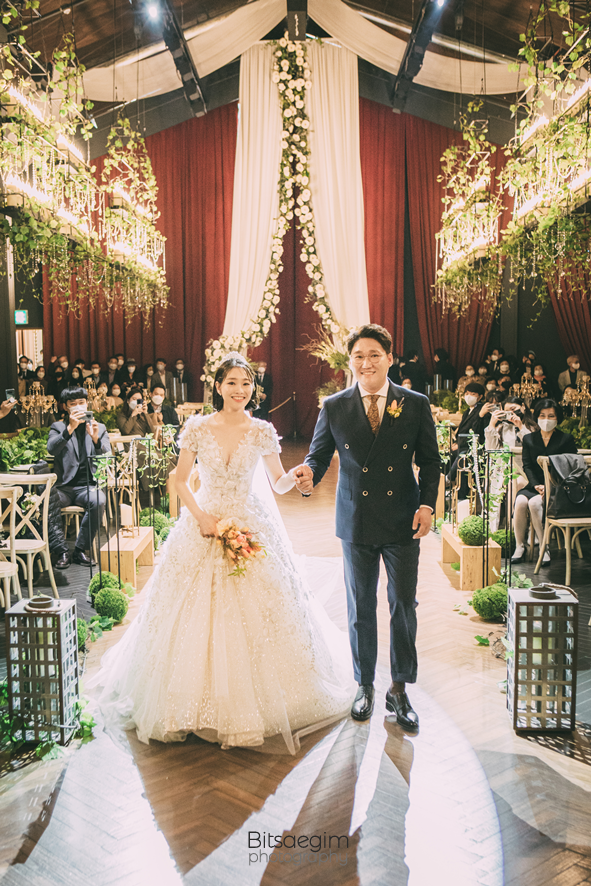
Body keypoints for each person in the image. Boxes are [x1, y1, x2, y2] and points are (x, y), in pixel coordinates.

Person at [89, 353, 355, 752]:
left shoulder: (262, 430)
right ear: (218, 386)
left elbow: (278, 483)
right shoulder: (197, 427)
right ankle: (188, 704)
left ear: (253, 389)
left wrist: (299, 477)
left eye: (246, 384)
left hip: (249, 520)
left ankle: (255, 703)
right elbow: (180, 480)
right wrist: (201, 517)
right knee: (186, 608)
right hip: (204, 520)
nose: (239, 390)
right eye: (232, 382)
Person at [296, 324, 441, 731]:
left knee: (403, 604)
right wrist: (308, 475)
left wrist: (427, 504)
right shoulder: (335, 406)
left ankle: (399, 688)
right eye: (359, 356)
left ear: (390, 358)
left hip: (403, 518)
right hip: (356, 518)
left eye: (374, 354)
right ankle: (364, 685)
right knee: (360, 606)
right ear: (350, 362)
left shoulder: (414, 403)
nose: (366, 363)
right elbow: (318, 456)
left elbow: (430, 460)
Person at [47, 386, 111, 567]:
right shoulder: (58, 427)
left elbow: (107, 457)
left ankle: (80, 550)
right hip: (64, 487)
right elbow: (51, 449)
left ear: (87, 404)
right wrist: (69, 430)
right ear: (66, 407)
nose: (78, 407)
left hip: (88, 486)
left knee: (98, 500)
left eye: (81, 402)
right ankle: (61, 551)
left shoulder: (99, 427)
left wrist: (96, 440)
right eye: (72, 403)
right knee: (46, 501)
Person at [512, 399, 577, 564]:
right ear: (537, 417)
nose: (546, 419)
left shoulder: (566, 439)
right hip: (535, 485)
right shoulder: (529, 439)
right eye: (542, 415)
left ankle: (543, 546)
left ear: (557, 418)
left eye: (551, 416)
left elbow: (570, 467)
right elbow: (527, 466)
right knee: (520, 501)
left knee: (534, 504)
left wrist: (550, 486)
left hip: (557, 487)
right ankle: (519, 546)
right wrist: (536, 485)